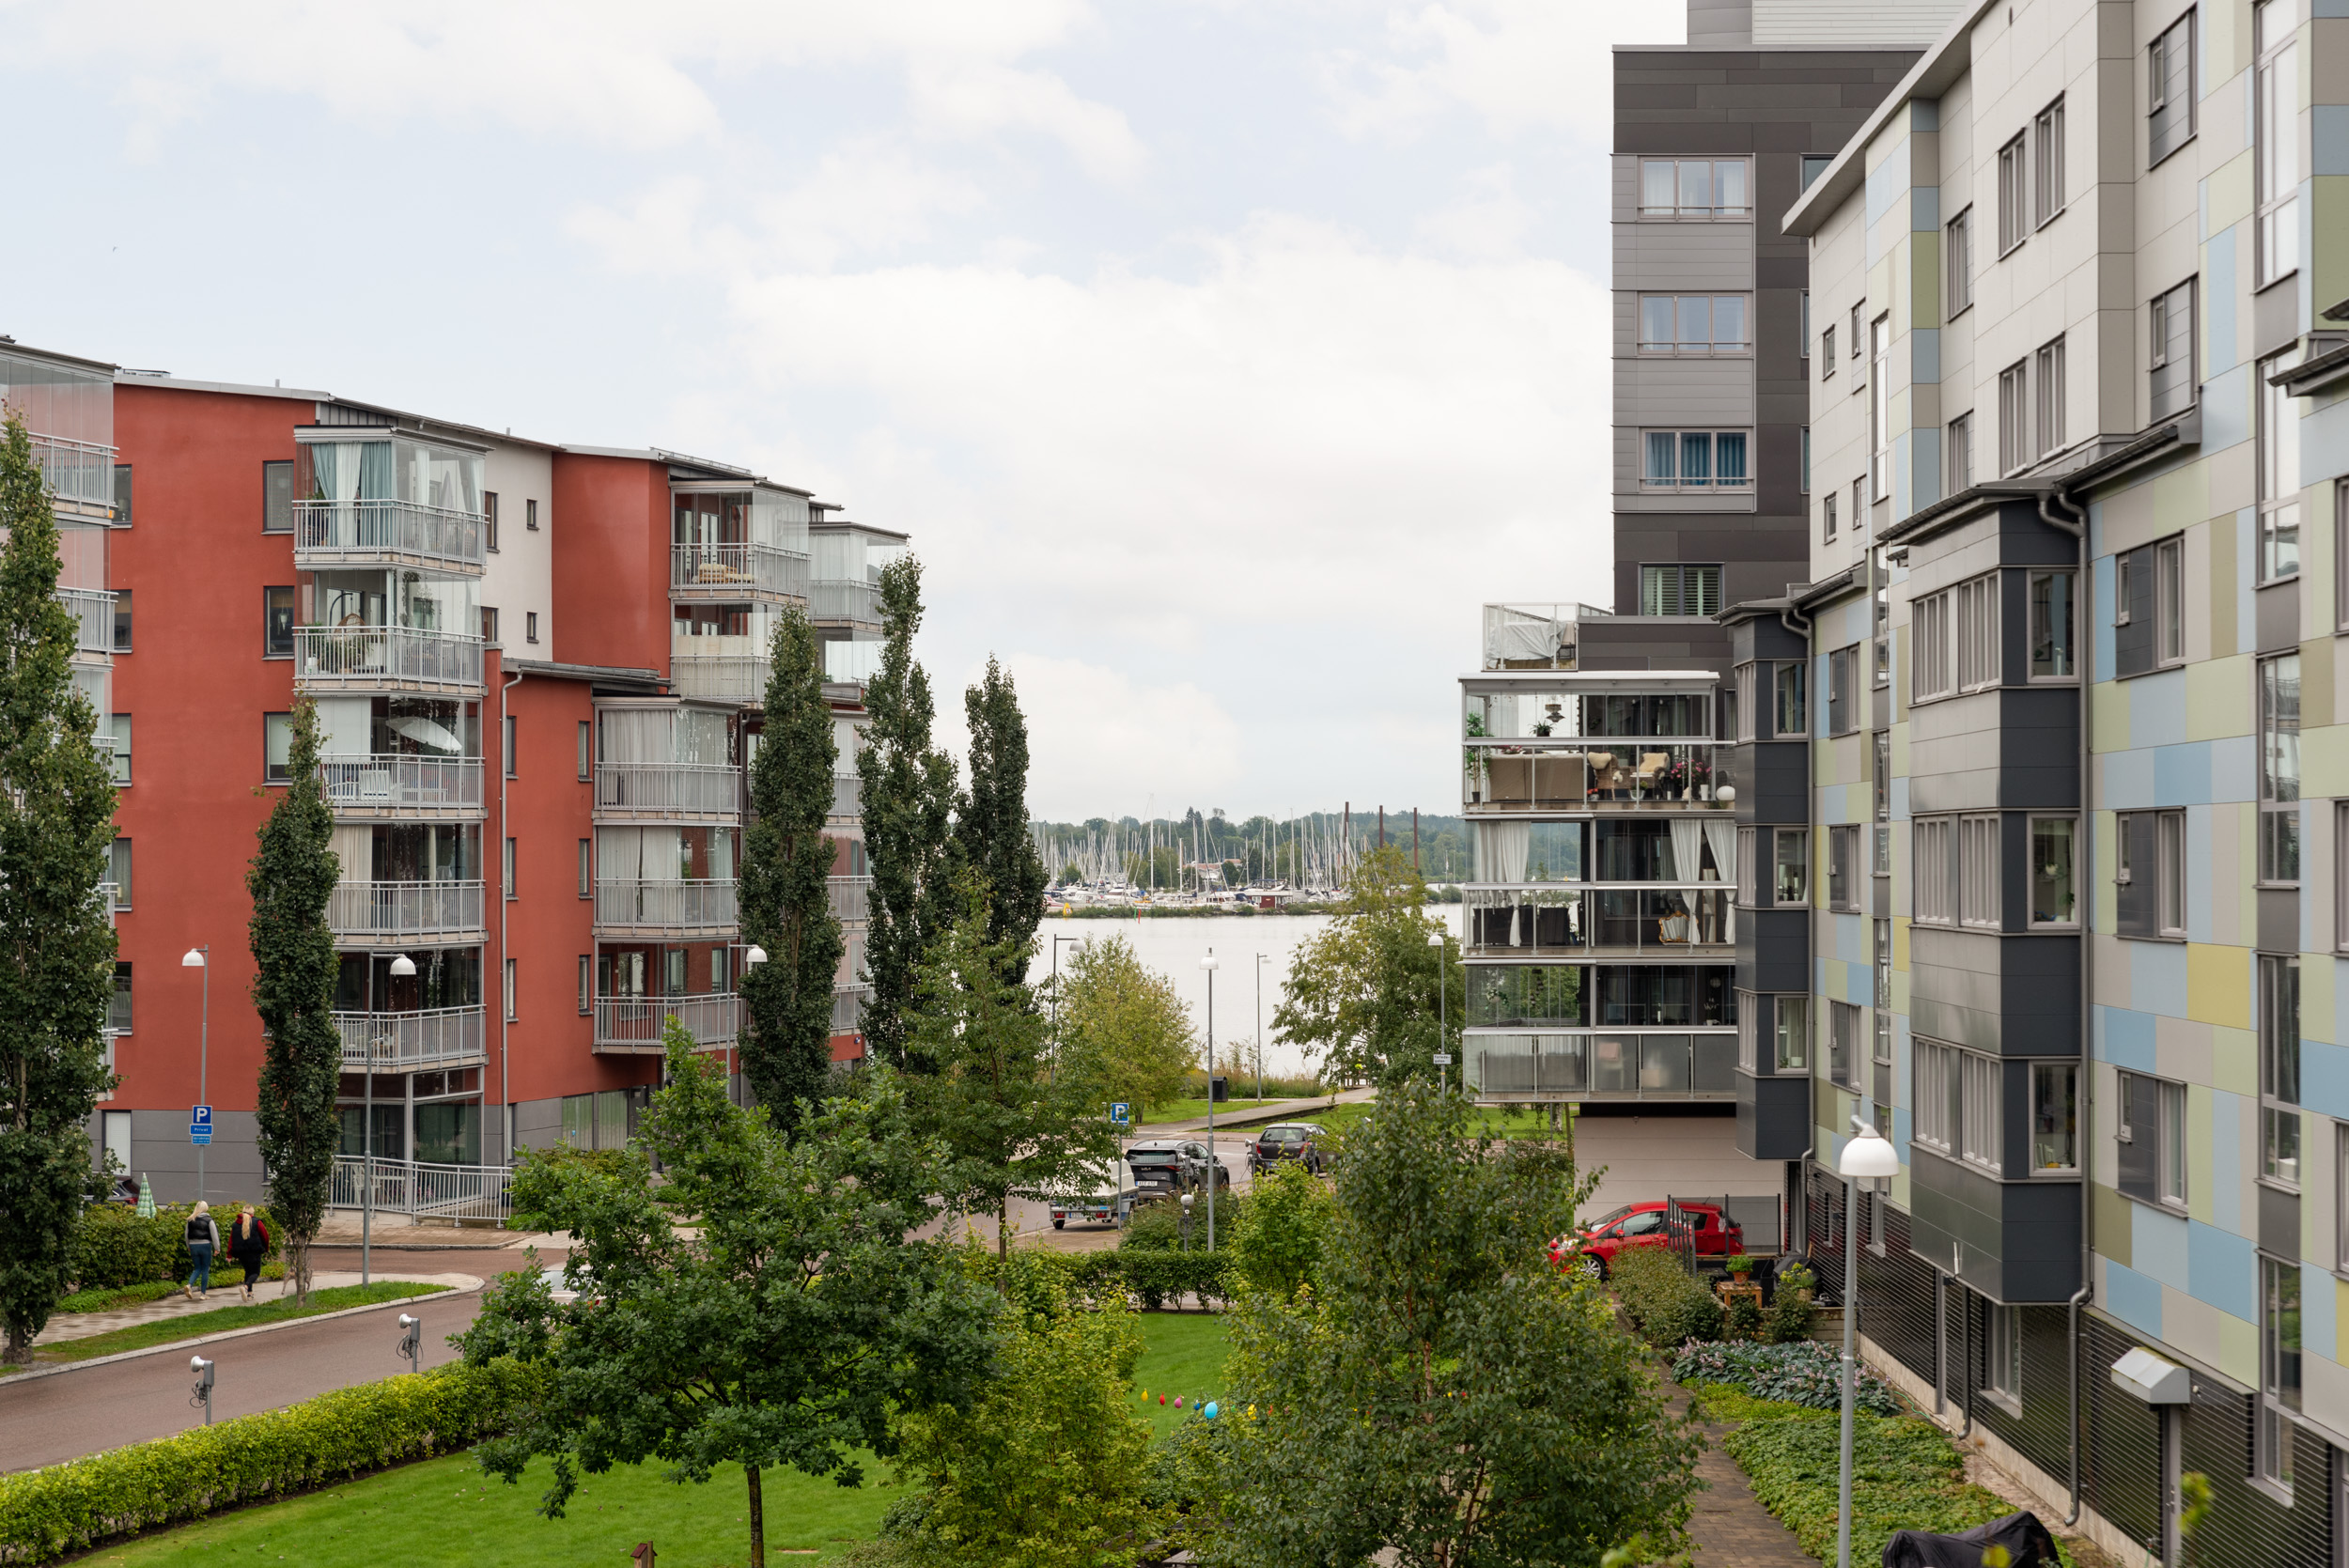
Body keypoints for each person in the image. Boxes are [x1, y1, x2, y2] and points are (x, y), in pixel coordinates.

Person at [226, 1205, 271, 1302]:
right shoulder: (257, 1222)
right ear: (252, 1213)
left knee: (248, 1271)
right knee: (255, 1273)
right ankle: (246, 1287)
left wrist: (229, 1254)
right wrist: (266, 1248)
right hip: (254, 1251)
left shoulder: (235, 1224)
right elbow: (265, 1236)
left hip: (241, 1253)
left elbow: (231, 1240)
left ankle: (249, 1294)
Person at [182, 1201, 221, 1301]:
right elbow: (214, 1235)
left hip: (193, 1246)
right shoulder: (209, 1220)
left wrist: (188, 1246)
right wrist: (217, 1248)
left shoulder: (190, 1220)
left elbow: (186, 1235)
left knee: (197, 1268)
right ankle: (203, 1294)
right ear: (206, 1208)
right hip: (205, 1245)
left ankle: (189, 1285)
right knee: (205, 1269)